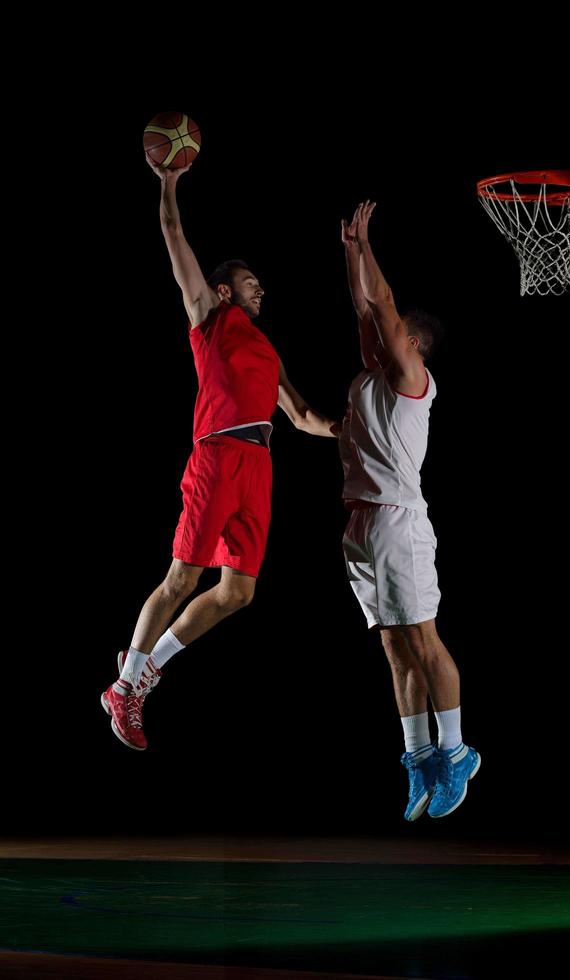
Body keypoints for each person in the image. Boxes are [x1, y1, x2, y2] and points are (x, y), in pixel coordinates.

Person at [101, 157, 339, 751]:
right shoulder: (210, 318)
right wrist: (169, 184)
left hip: (259, 465)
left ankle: (146, 668)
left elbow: (304, 416)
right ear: (226, 288)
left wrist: (351, 429)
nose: (263, 287)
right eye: (252, 280)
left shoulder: (268, 349)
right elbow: (174, 235)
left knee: (238, 591)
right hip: (216, 457)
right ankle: (127, 687)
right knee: (183, 575)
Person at [339, 201, 480, 820]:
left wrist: (369, 243)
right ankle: (419, 759)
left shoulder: (412, 378)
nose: (374, 331)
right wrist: (349, 254)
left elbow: (383, 305)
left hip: (399, 520)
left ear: (413, 343)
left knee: (423, 639)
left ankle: (457, 753)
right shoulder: (372, 375)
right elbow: (365, 309)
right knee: (395, 649)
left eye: (392, 330)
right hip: (363, 526)